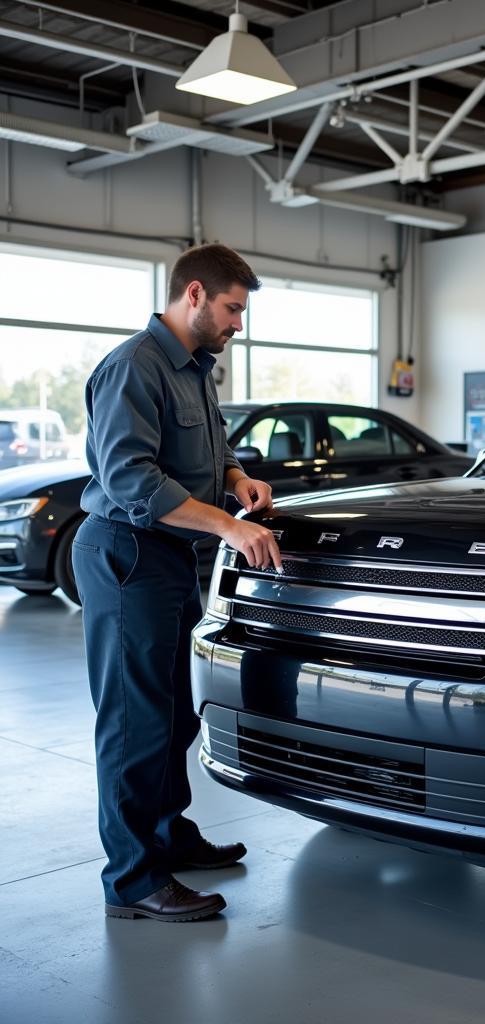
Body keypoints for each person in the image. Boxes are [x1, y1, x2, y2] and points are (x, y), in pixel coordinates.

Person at [74, 243, 283, 923]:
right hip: (126, 554)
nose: (238, 323)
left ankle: (170, 837)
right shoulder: (133, 367)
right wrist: (229, 526)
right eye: (232, 308)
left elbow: (212, 450)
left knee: (172, 717)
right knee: (135, 723)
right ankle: (133, 881)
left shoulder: (196, 368)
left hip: (166, 560)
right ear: (194, 294)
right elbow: (132, 480)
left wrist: (236, 477)